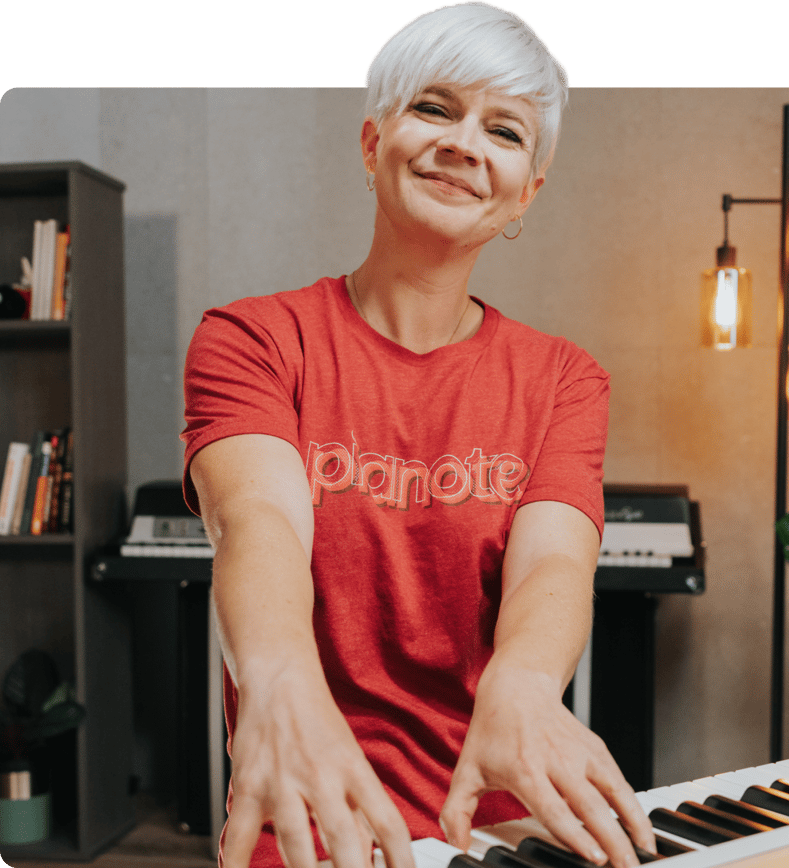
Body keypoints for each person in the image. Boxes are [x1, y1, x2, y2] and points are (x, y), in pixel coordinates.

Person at [181, 4, 656, 868]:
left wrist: (522, 683)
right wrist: (277, 676)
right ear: (373, 144)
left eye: (504, 130)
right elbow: (259, 521)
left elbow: (555, 562)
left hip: (500, 827)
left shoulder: (563, 378)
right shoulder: (252, 339)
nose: (464, 144)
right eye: (433, 109)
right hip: (312, 821)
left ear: (526, 191)